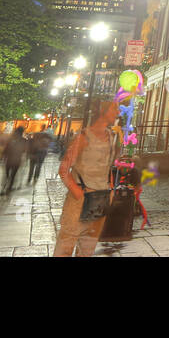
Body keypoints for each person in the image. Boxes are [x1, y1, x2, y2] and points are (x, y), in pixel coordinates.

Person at [54, 101, 120, 257]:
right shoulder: (83, 137)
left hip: (101, 199)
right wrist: (79, 194)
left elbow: (108, 167)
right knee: (66, 245)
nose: (118, 112)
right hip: (81, 199)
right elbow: (64, 169)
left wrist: (110, 189)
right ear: (102, 112)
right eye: (114, 109)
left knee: (87, 248)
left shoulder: (112, 137)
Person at [0, 126, 27, 194]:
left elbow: (6, 149)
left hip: (9, 159)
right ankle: (9, 188)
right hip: (17, 160)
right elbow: (24, 150)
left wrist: (3, 156)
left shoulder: (10, 139)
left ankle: (4, 188)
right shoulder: (24, 140)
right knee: (13, 175)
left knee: (6, 174)